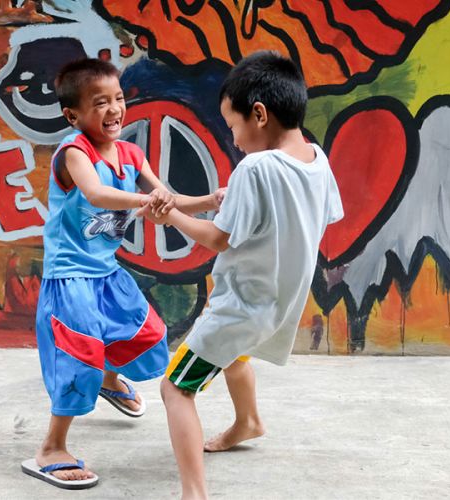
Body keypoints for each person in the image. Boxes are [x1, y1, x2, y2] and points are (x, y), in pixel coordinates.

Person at [138, 50, 344, 499]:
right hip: (280, 299)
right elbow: (314, 215)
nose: (234, 140)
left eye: (233, 127)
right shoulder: (316, 158)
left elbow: (217, 239)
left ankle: (194, 492)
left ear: (259, 114)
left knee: (175, 388)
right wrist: (244, 202)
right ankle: (248, 422)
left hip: (243, 303)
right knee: (234, 354)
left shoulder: (257, 167)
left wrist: (171, 215)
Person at [21, 57, 224, 490]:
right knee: (78, 360)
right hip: (71, 278)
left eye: (117, 99)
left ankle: (111, 382)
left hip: (106, 272)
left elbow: (163, 197)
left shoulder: (131, 153)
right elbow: (96, 193)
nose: (114, 109)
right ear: (73, 114)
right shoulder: (74, 151)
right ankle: (51, 448)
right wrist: (144, 204)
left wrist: (211, 198)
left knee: (147, 335)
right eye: (100, 102)